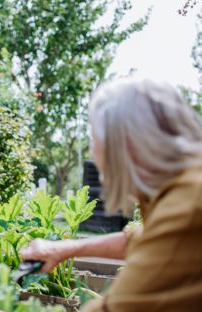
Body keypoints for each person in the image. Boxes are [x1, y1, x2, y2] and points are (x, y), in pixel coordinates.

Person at [21, 78, 202, 311]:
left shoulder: (187, 209)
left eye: (94, 140)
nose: (94, 155)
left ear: (125, 146)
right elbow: (144, 239)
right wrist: (61, 249)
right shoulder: (183, 188)